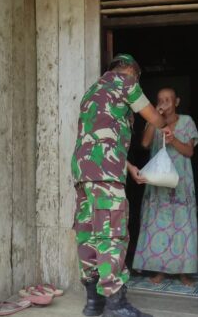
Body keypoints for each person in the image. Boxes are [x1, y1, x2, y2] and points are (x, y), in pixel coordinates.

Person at [71, 54, 171, 317]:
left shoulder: (91, 92)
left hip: (84, 173)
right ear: (133, 72)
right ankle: (116, 305)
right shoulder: (126, 82)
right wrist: (163, 122)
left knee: (88, 232)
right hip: (105, 174)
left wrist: (128, 166)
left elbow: (100, 136)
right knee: (111, 234)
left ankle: (93, 303)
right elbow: (153, 116)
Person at [132, 88, 198, 286]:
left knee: (183, 225)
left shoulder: (187, 121)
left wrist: (173, 140)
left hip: (181, 182)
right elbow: (145, 143)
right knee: (157, 224)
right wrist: (155, 119)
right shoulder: (152, 119)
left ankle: (184, 273)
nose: (164, 103)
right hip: (158, 183)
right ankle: (159, 269)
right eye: (160, 100)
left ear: (177, 101)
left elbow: (189, 152)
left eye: (168, 100)